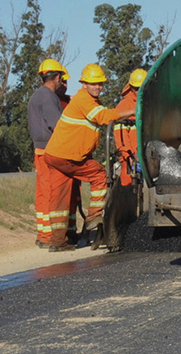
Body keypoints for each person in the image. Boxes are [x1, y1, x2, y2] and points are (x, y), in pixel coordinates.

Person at [43, 64, 136, 251]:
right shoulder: (84, 100)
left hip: (55, 154)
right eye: (93, 84)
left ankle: (58, 242)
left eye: (100, 84)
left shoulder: (88, 100)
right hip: (68, 156)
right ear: (84, 83)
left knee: (60, 199)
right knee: (100, 175)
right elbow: (103, 117)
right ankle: (94, 216)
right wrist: (134, 111)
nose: (97, 87)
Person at [26, 58, 69, 248]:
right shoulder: (48, 97)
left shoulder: (36, 95)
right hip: (50, 150)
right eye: (61, 77)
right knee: (53, 192)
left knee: (43, 192)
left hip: (39, 149)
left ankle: (43, 235)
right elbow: (56, 124)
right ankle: (51, 234)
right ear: (57, 77)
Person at [113, 68, 146, 186]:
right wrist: (128, 156)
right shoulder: (124, 106)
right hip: (131, 156)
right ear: (131, 87)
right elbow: (120, 136)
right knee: (128, 184)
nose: (140, 91)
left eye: (143, 87)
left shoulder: (151, 102)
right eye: (137, 89)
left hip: (149, 154)